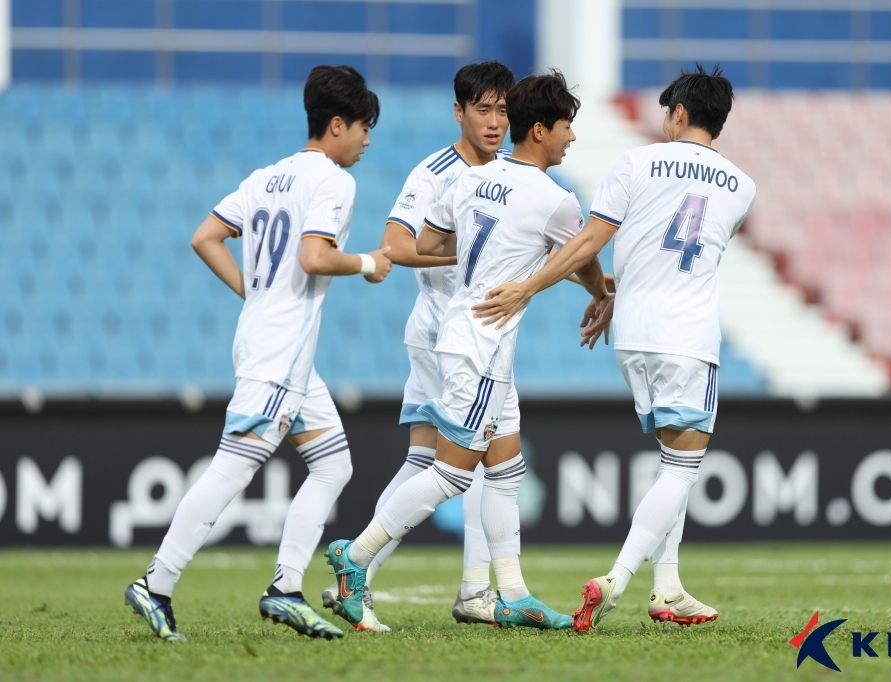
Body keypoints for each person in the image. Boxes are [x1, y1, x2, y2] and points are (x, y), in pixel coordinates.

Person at [471, 64, 756, 631]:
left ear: (677, 114)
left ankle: (668, 587)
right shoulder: (743, 186)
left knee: (671, 461)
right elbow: (690, 255)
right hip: (689, 336)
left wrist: (569, 291)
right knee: (683, 467)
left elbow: (591, 242)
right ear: (718, 123)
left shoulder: (634, 161)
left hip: (631, 333)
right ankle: (618, 580)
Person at [324, 71, 609, 630]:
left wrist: (492, 249)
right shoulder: (556, 199)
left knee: (505, 472)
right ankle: (353, 559)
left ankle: (513, 592)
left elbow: (427, 243)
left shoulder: (474, 180)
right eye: (567, 127)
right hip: (480, 343)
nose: (571, 138)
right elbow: (585, 255)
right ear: (542, 129)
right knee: (453, 474)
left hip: (466, 336)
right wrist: (603, 294)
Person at [124, 65, 392, 642]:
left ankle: (285, 589)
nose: (368, 139)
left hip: (272, 343)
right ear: (337, 124)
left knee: (334, 463)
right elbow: (316, 258)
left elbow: (205, 237)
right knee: (232, 468)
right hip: (278, 353)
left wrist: (256, 293)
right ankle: (156, 583)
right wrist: (369, 263)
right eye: (364, 127)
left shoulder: (266, 177)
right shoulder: (334, 181)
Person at [321, 61, 515, 632]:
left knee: (426, 461)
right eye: (483, 109)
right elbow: (394, 246)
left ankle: (356, 576)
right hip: (448, 335)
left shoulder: (507, 171)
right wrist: (474, 257)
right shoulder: (435, 172)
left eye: (504, 109)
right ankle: (475, 590)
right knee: (480, 462)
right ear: (459, 112)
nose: (495, 121)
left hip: (474, 333)